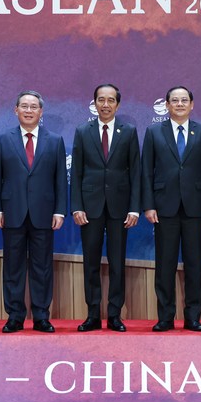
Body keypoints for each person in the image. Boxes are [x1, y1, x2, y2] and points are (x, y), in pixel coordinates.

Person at [0, 90, 67, 333]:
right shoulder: (2, 139)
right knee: (13, 266)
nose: (29, 110)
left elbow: (60, 180)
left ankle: (41, 315)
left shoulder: (54, 140)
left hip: (44, 214)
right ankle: (15, 316)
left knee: (42, 266)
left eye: (34, 107)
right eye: (24, 106)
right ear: (16, 110)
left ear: (41, 112)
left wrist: (60, 211)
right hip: (12, 212)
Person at [141, 86, 201, 332]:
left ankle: (193, 317)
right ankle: (165, 317)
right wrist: (148, 205)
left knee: (194, 264)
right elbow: (146, 172)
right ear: (167, 104)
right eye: (175, 100)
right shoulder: (154, 132)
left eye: (185, 100)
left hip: (195, 207)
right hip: (164, 208)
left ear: (192, 104)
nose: (180, 104)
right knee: (165, 265)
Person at [71, 84, 140, 332]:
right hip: (90, 209)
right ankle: (92, 315)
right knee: (90, 262)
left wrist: (134, 209)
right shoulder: (82, 131)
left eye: (111, 100)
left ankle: (114, 315)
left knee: (117, 263)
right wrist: (77, 206)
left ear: (117, 105)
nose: (106, 104)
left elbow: (136, 172)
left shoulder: (129, 132)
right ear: (95, 103)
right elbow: (77, 171)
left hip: (120, 209)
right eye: (101, 99)